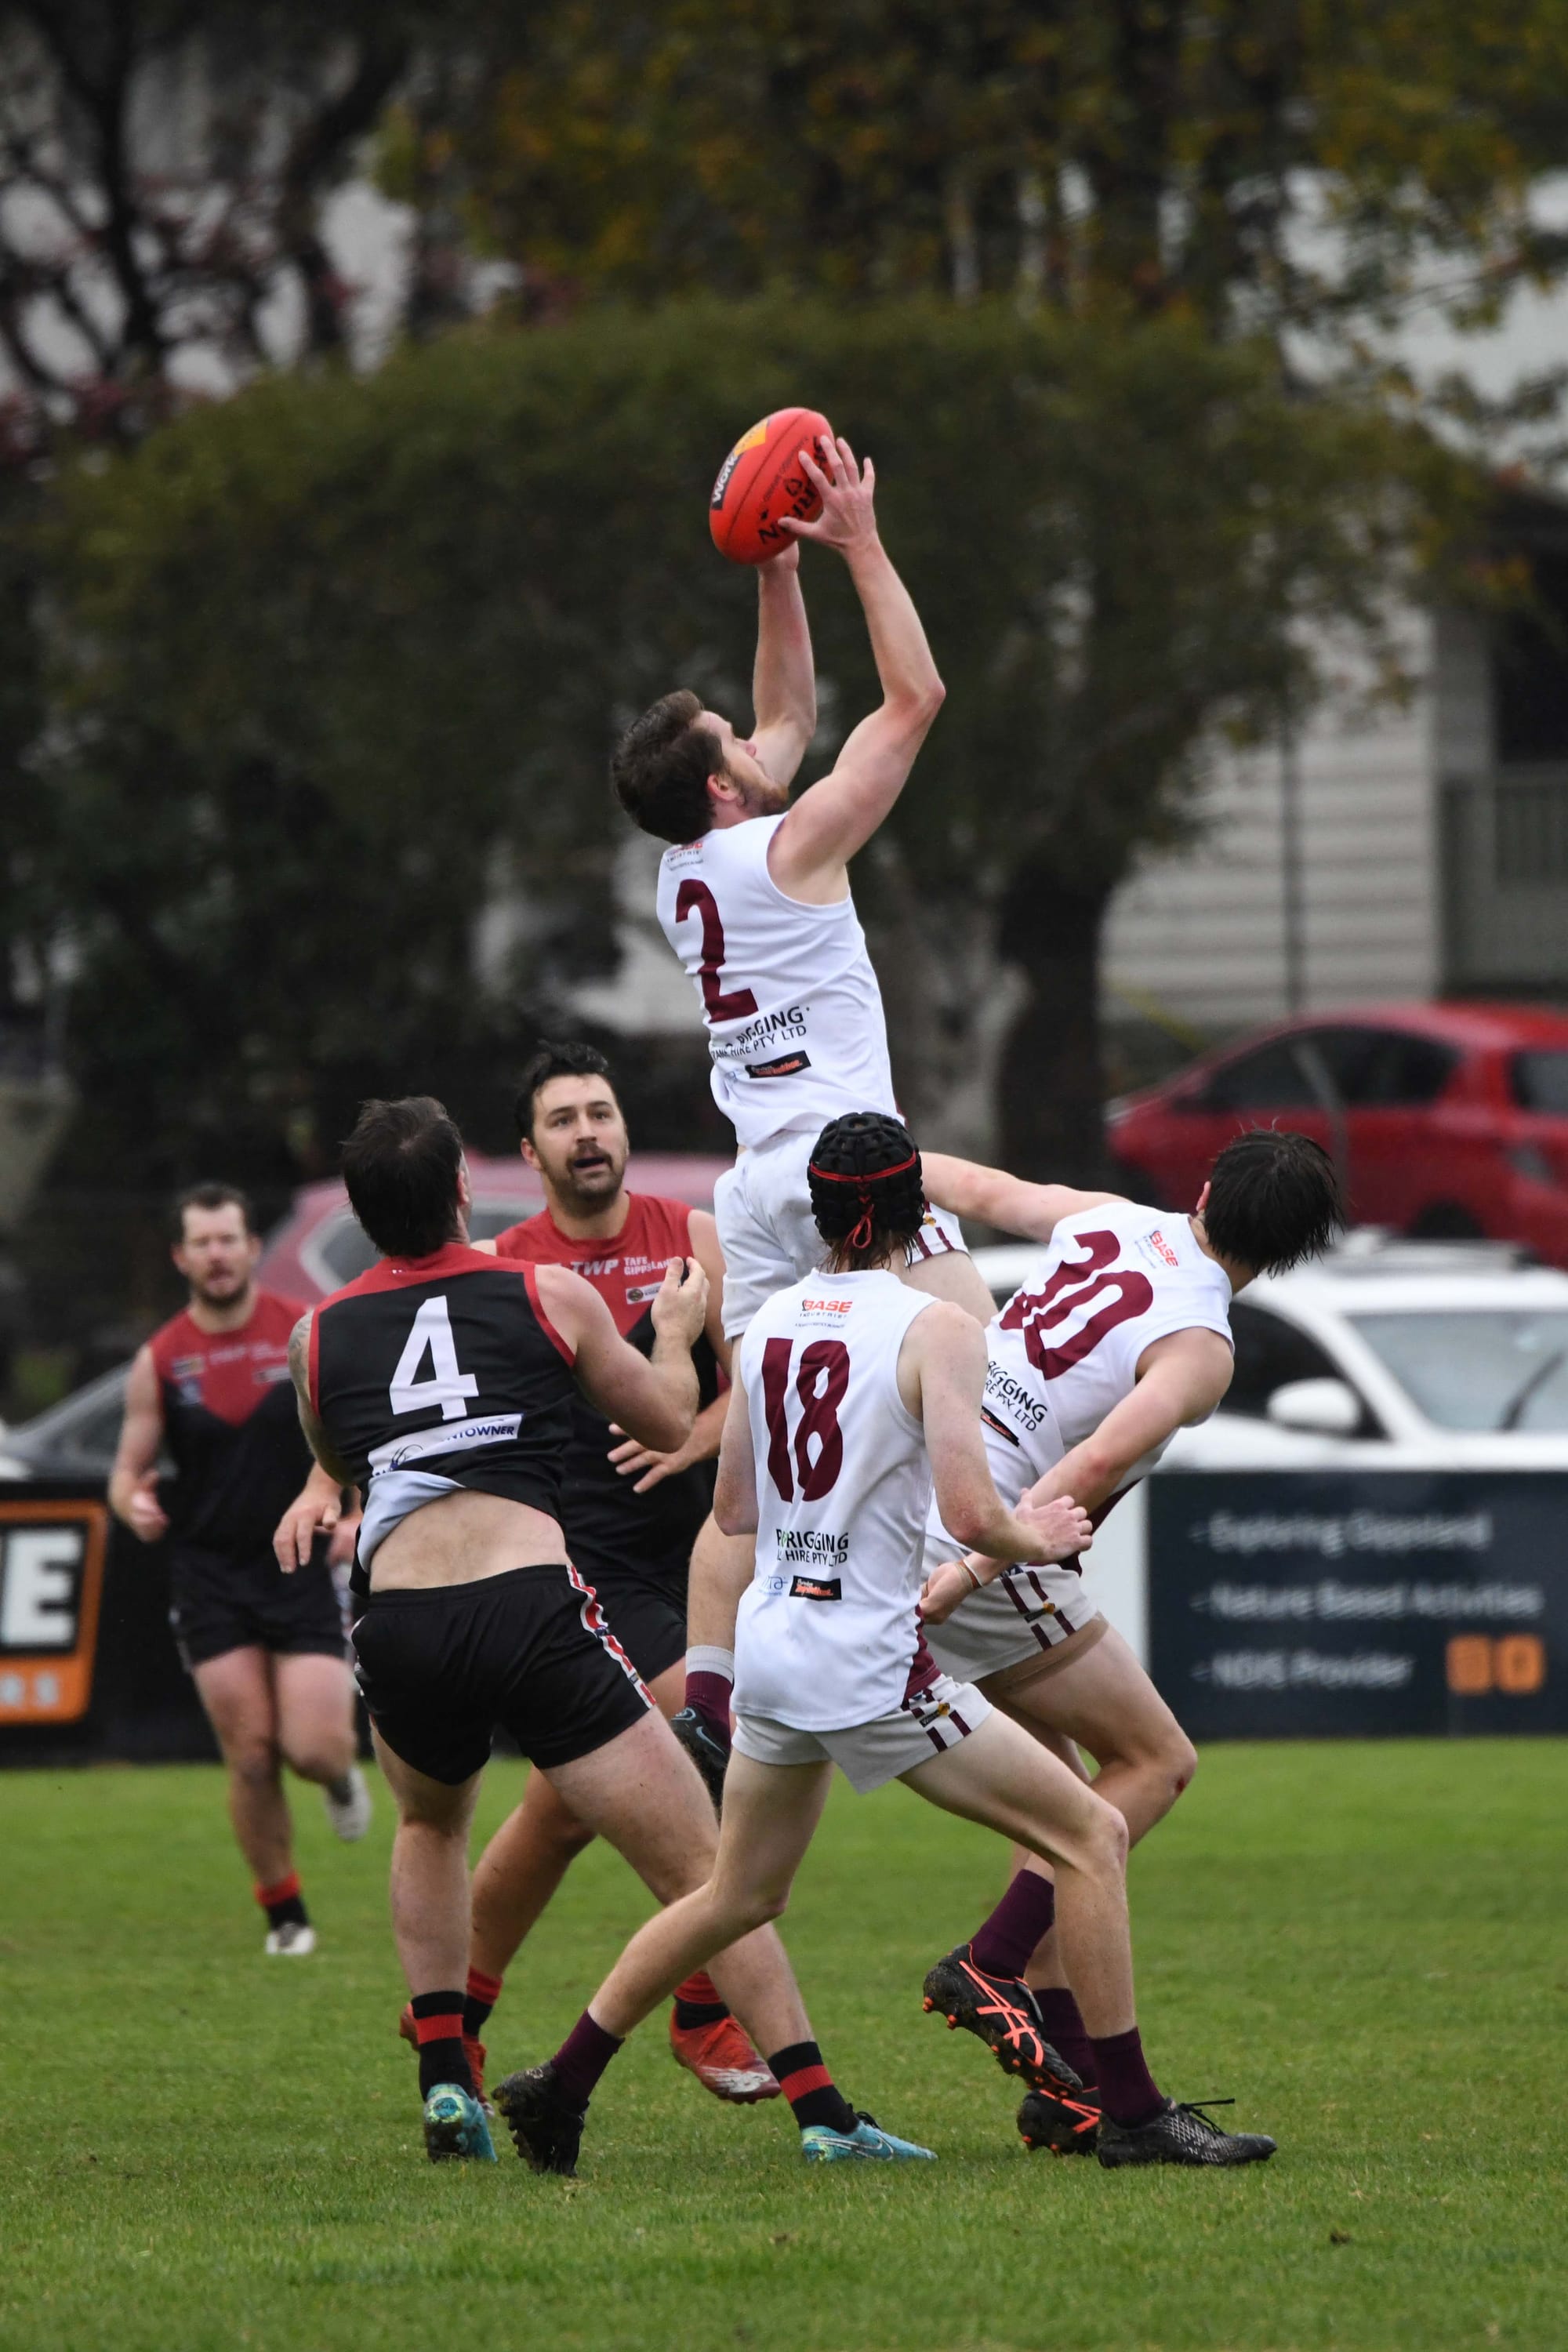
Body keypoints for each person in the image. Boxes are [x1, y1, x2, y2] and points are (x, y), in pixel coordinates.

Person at [493, 1113, 1275, 2175]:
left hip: (775, 1646)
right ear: (919, 1215)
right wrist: (1029, 1533)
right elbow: (970, 1504)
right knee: (1093, 1833)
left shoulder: (765, 1325)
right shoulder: (934, 1327)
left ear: (819, 1215)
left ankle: (561, 2081)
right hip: (873, 1660)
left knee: (737, 1896)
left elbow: (732, 1512)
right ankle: (1130, 2110)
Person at [281, 1094, 879, 2169]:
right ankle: (826, 2113)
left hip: (400, 1619)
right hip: (526, 1605)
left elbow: (342, 1449)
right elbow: (659, 1419)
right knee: (704, 1862)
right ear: (466, 1188)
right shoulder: (540, 1291)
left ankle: (443, 2082)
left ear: (367, 1219)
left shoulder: (315, 1336)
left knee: (430, 1828)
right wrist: (676, 1336)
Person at [610, 432, 995, 1779]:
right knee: (975, 1353)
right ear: (724, 785)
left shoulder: (689, 871)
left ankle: (711, 1694)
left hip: (753, 1187)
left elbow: (782, 726)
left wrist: (774, 568)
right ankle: (936, 1601)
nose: (757, 739)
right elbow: (917, 697)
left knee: (751, 1470)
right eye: (732, 743)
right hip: (848, 1169)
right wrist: (854, 543)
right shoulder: (794, 842)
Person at [914, 1128, 1343, 2153]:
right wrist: (978, 1565)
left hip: (931, 1485)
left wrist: (856, 1143)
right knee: (1156, 1760)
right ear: (1285, 1256)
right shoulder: (1201, 1347)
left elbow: (980, 1185)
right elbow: (1100, 1458)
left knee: (1065, 1801)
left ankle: (1074, 2094)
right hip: (981, 1531)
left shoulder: (1115, 1220)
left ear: (1203, 1190)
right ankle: (993, 1960)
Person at [416, 1038, 775, 2104]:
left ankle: (457, 2012)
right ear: (531, 1151)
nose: (590, 1133)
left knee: (562, 1811)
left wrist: (692, 1436)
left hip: (704, 1551)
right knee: (719, 1748)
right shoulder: (509, 1265)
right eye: (566, 1119)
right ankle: (705, 2013)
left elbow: (751, 1379)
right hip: (586, 1565)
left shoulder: (691, 1235)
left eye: (602, 1113)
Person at [108, 1183, 369, 1958]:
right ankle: (285, 1911)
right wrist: (133, 1506)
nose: (217, 1255)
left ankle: (338, 1780)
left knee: (315, 1749)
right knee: (251, 1755)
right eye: (203, 1242)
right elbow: (125, 1474)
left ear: (252, 1248)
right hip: (209, 1576)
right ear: (181, 1257)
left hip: (296, 1567)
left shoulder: (302, 1331)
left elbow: (358, 1434)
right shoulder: (161, 1359)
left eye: (229, 1239)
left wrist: (354, 1516)